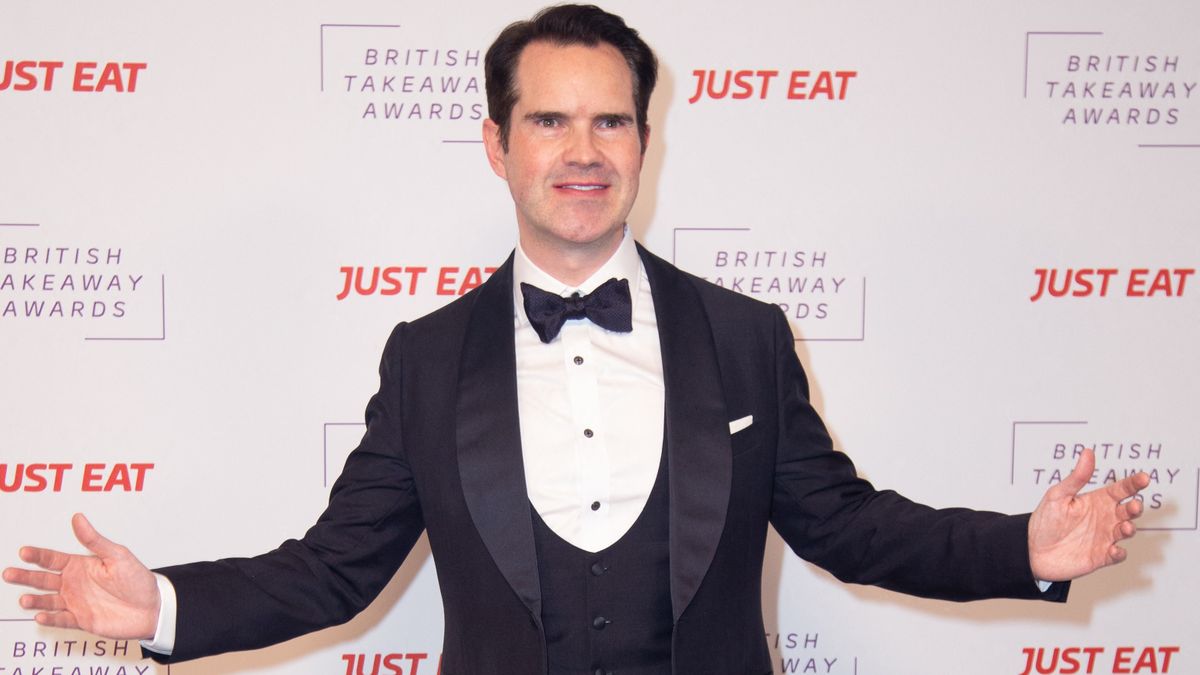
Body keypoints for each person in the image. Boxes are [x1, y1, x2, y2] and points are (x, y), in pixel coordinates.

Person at [4, 5, 1150, 675]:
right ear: (497, 145)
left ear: (645, 142)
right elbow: (335, 569)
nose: (583, 150)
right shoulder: (426, 358)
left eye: (610, 121)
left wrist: (1026, 549)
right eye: (549, 120)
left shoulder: (744, 336)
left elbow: (848, 527)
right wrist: (161, 607)